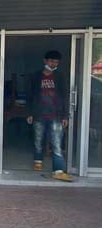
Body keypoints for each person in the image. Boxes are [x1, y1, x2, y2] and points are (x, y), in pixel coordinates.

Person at [26, 50, 72, 181]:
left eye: (56, 62)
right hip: (39, 114)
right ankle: (38, 160)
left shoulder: (60, 77)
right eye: (51, 61)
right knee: (38, 139)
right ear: (45, 61)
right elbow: (30, 96)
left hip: (56, 115)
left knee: (56, 144)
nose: (53, 64)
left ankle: (58, 171)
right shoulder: (36, 76)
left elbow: (65, 96)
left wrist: (65, 116)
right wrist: (29, 113)